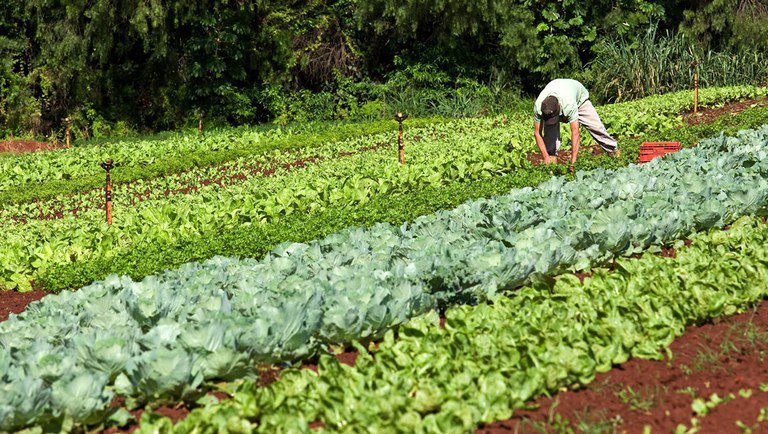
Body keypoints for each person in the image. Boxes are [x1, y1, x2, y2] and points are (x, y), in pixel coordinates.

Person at [533, 78, 620, 174]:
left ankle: (614, 152)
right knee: (550, 134)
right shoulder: (539, 107)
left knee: (595, 126)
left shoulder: (569, 103)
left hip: (579, 100)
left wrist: (573, 163)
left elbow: (575, 132)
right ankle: (551, 165)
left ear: (559, 106)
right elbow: (537, 133)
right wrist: (545, 156)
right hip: (557, 92)